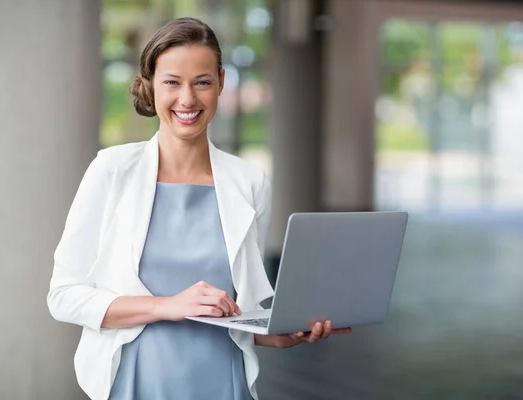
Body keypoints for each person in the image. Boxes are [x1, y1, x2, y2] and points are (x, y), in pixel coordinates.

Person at [47, 17, 351, 400]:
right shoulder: (112, 171)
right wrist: (167, 306)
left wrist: (280, 334)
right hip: (138, 379)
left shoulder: (249, 183)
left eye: (202, 82)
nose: (187, 99)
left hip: (223, 380)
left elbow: (240, 313)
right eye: (172, 82)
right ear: (150, 84)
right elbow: (64, 296)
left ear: (221, 82)